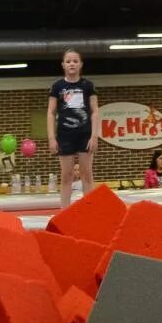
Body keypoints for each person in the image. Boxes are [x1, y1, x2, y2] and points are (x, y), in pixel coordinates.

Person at [47, 48, 100, 210]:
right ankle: (64, 211)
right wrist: (51, 138)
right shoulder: (58, 86)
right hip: (65, 135)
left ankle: (90, 210)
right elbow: (51, 112)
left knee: (86, 173)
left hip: (85, 134)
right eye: (68, 61)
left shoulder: (87, 85)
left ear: (80, 64)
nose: (72, 64)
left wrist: (94, 136)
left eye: (75, 61)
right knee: (66, 175)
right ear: (63, 65)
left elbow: (95, 111)